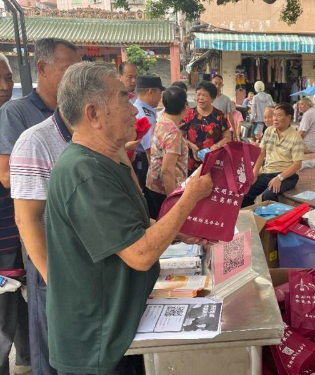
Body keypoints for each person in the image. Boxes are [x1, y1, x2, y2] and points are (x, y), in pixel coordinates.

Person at [44, 61, 212, 375]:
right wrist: (190, 197)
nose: (134, 110)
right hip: (97, 343)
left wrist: (180, 232)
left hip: (120, 326)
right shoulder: (85, 171)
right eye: (123, 98)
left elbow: (131, 228)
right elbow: (139, 253)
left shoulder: (106, 161)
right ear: (93, 114)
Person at [0, 38, 81, 375]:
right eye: (68, 71)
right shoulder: (17, 115)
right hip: (35, 232)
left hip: (74, 238)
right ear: (43, 69)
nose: (74, 80)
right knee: (36, 319)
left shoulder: (74, 114)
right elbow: (9, 176)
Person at [0, 53, 29, 375]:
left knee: (22, 307)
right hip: (3, 240)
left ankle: (27, 362)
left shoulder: (11, 118)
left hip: (18, 233)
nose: (5, 86)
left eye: (8, 78)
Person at [242, 103, 304, 207]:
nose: (275, 118)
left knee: (268, 195)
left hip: (287, 176)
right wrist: (255, 172)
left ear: (289, 117)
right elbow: (262, 153)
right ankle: (248, 217)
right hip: (268, 172)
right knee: (246, 191)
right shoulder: (269, 131)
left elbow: (297, 164)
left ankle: (272, 221)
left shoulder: (295, 137)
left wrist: (279, 178)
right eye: (274, 115)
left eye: (279, 115)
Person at [145, 86, 189, 219]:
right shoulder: (173, 133)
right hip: (165, 191)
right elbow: (167, 170)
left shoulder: (162, 120)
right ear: (185, 106)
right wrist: (172, 201)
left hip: (153, 184)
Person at [181, 81, 231, 175]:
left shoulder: (220, 116)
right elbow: (180, 137)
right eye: (198, 94)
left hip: (214, 161)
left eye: (204, 95)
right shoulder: (189, 114)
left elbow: (227, 137)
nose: (200, 98)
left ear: (212, 99)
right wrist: (191, 145)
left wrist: (217, 145)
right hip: (192, 161)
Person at [131, 76, 165, 190]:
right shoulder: (144, 115)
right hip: (144, 163)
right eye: (160, 93)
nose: (160, 97)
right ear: (151, 92)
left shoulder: (136, 108)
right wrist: (157, 177)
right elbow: (150, 149)